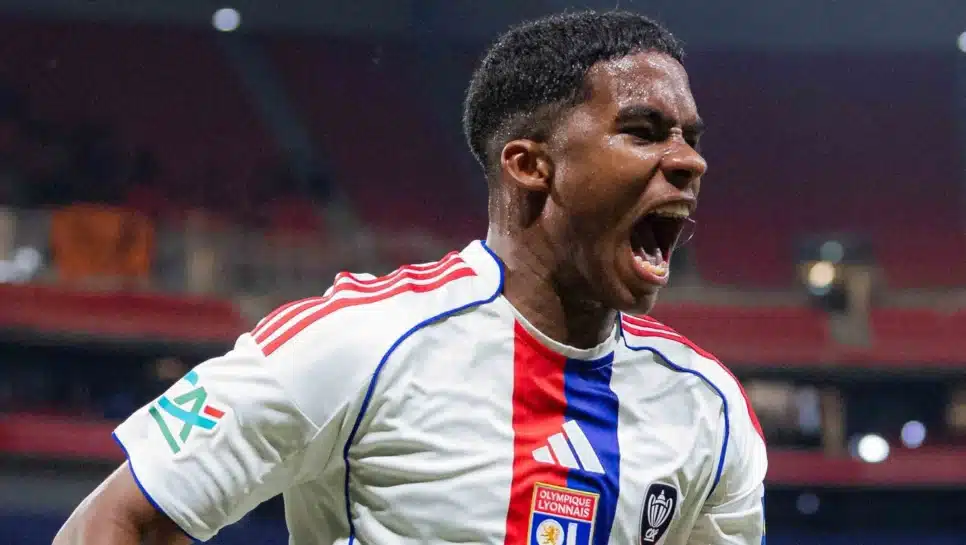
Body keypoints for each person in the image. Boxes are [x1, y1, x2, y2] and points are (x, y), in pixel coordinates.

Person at [54, 10, 767, 545]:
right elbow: (118, 522)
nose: (689, 161)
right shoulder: (357, 341)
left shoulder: (707, 406)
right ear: (530, 165)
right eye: (643, 131)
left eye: (691, 137)